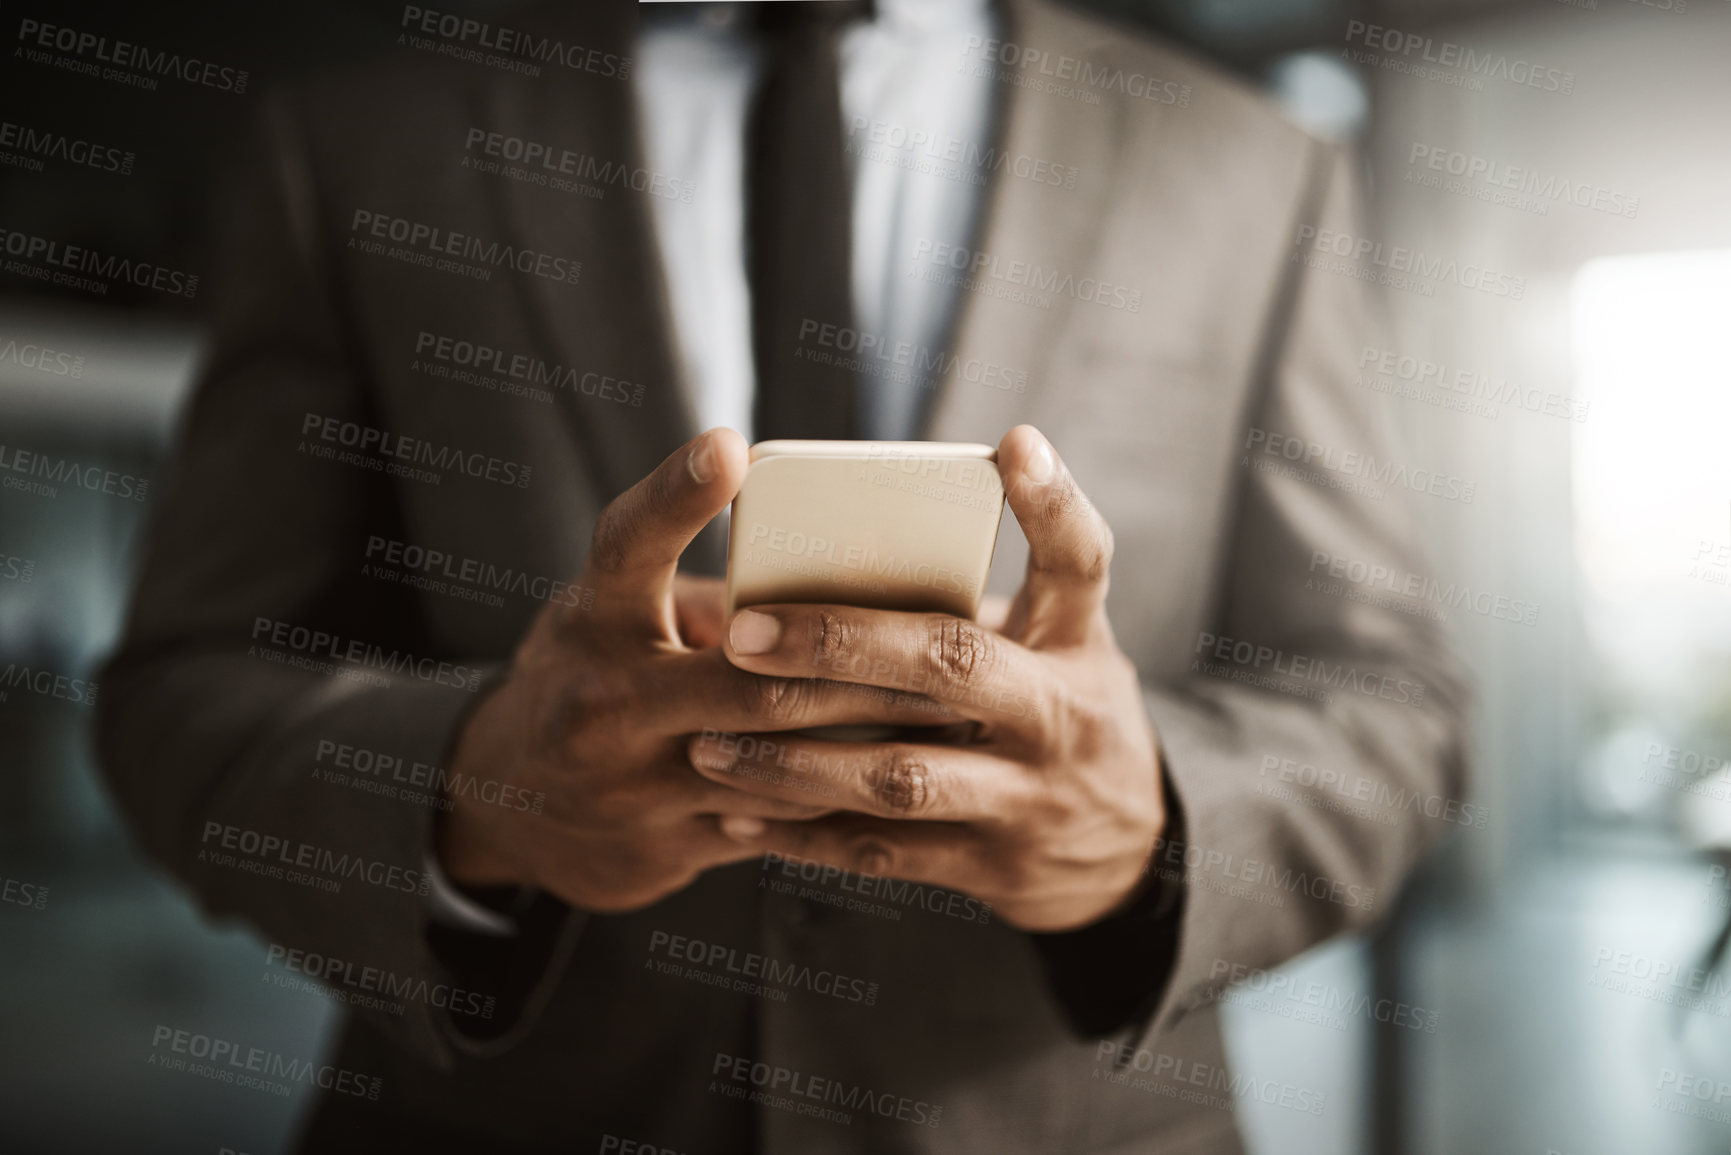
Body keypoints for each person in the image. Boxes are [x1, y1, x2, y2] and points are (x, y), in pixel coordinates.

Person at [96, 1, 1467, 1151]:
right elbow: (180, 687)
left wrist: (1157, 831)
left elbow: (1391, 706)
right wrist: (473, 798)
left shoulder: (1249, 162)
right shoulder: (359, 142)